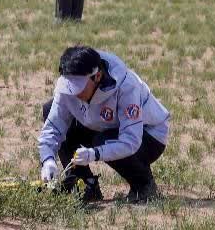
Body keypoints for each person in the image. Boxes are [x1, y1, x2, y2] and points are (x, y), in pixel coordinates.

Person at [38, 45, 170, 204]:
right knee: (49, 108)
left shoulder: (126, 86)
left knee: (102, 140)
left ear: (97, 76)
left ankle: (143, 185)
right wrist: (48, 160)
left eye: (78, 87)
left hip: (148, 136)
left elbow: (131, 141)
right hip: (100, 126)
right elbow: (53, 128)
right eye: (68, 86)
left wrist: (95, 153)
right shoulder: (67, 87)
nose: (73, 92)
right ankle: (85, 185)